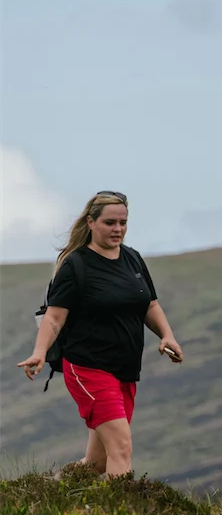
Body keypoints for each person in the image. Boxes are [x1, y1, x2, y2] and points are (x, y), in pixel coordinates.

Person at [16, 191, 184, 477]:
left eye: (123, 223)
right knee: (121, 447)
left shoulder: (132, 259)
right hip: (88, 367)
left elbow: (150, 305)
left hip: (125, 370)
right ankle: (122, 507)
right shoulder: (76, 265)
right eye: (110, 223)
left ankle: (49, 486)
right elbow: (54, 316)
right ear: (91, 222)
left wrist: (167, 335)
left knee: (98, 462)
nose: (118, 229)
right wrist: (39, 352)